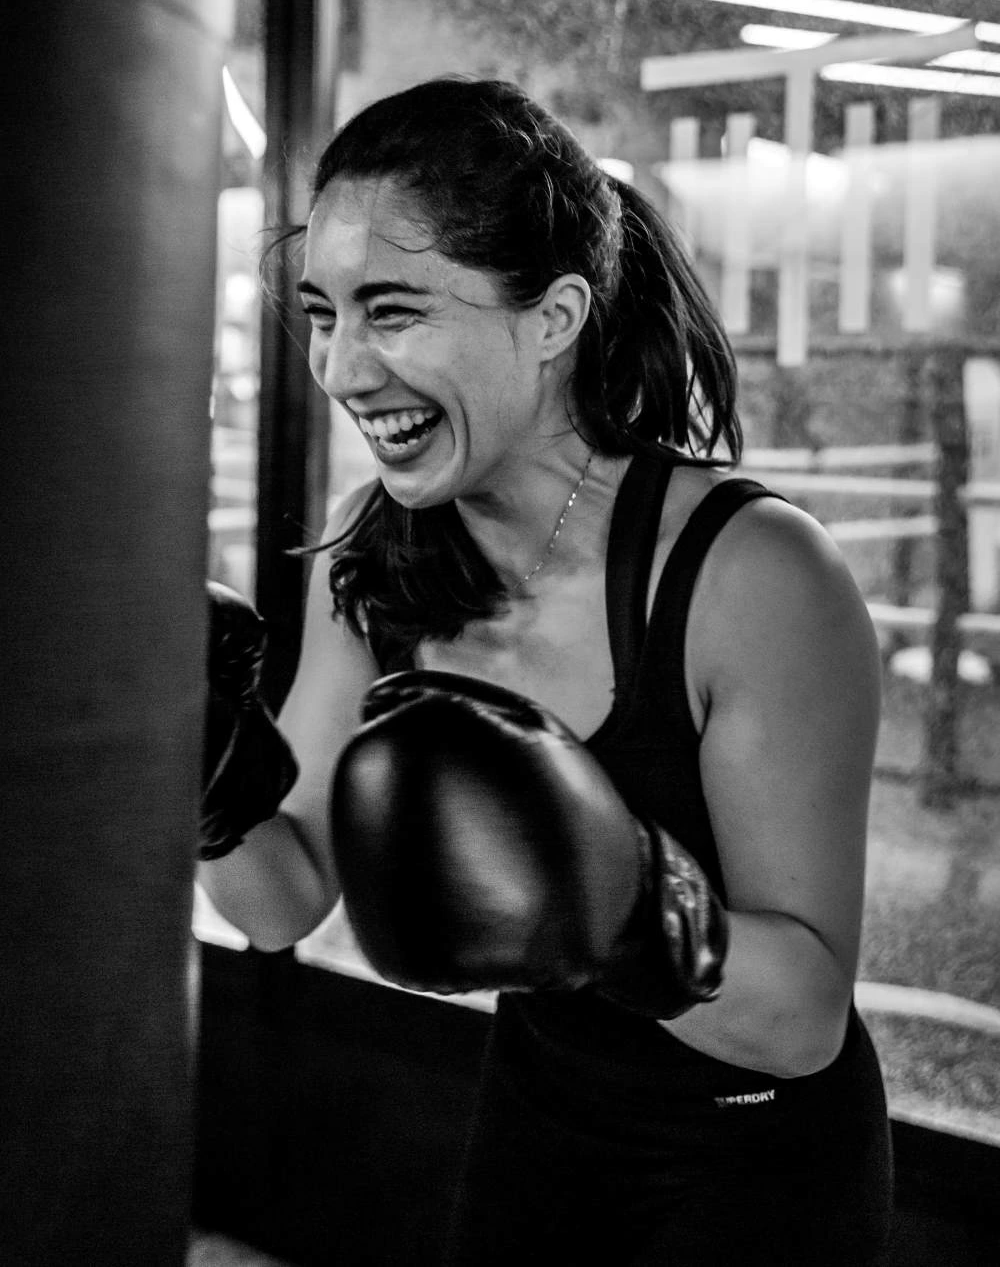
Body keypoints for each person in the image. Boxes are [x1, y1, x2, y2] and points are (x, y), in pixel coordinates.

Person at [198, 76, 893, 1265]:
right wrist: (206, 780)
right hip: (537, 1122)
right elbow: (283, 905)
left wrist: (616, 896)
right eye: (323, 313)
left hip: (756, 1157)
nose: (340, 367)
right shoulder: (374, 556)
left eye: (393, 310)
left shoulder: (751, 574)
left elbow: (800, 1022)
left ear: (556, 315)